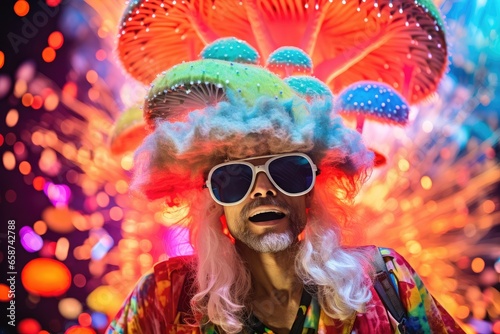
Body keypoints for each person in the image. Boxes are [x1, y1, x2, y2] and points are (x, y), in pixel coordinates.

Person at [106, 56, 465, 333]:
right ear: (214, 201)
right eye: (234, 177)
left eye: (288, 171)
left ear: (311, 192)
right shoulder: (165, 299)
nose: (263, 189)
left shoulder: (387, 281)